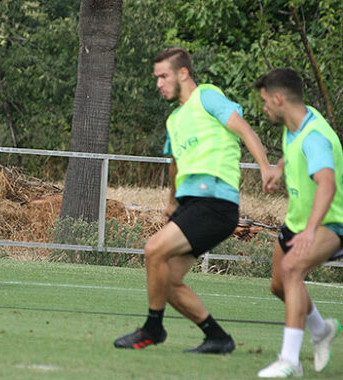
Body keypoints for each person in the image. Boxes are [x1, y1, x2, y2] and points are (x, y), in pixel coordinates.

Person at [113, 47, 273, 353]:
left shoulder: (208, 96)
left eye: (163, 76)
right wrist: (171, 202)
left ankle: (153, 328)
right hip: (191, 205)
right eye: (156, 78)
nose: (158, 84)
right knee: (167, 281)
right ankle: (217, 338)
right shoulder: (174, 119)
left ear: (183, 73)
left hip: (215, 201)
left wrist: (265, 168)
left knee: (153, 249)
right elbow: (175, 162)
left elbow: (244, 130)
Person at [254, 68, 343, 377]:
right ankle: (320, 330)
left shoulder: (316, 137)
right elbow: (295, 145)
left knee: (292, 269)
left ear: (279, 98)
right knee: (279, 285)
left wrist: (310, 230)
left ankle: (289, 361)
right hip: (297, 222)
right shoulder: (297, 122)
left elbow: (327, 185)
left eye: (265, 100)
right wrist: (279, 168)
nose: (263, 106)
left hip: (330, 223)